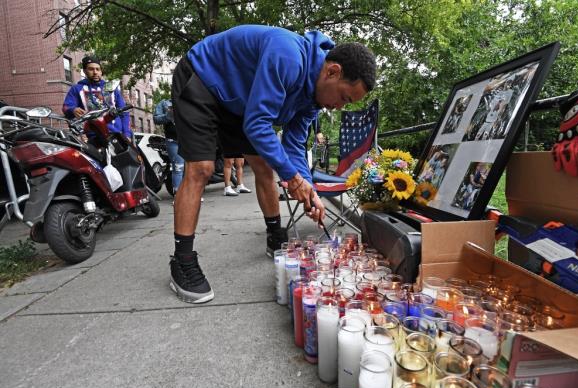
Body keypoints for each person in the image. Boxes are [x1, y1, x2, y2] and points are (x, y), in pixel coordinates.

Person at [169, 25, 376, 304]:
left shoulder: (314, 99)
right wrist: (292, 178)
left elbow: (293, 145)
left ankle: (275, 235)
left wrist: (309, 190)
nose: (338, 107)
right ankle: (182, 260)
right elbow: (257, 123)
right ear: (332, 72)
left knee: (264, 165)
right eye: (344, 98)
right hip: (203, 78)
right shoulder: (287, 56)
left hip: (239, 103)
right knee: (201, 168)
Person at [62, 55, 131, 145]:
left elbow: (124, 112)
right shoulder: (77, 88)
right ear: (84, 71)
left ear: (101, 71)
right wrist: (73, 109)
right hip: (94, 137)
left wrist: (127, 134)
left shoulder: (110, 86)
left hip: (118, 135)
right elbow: (66, 107)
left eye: (98, 69)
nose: (95, 72)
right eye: (91, 69)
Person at [153, 99, 184, 195]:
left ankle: (192, 196)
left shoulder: (187, 100)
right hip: (173, 140)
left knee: (191, 168)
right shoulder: (164, 103)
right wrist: (168, 116)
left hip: (189, 140)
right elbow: (156, 119)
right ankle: (179, 197)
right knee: (178, 168)